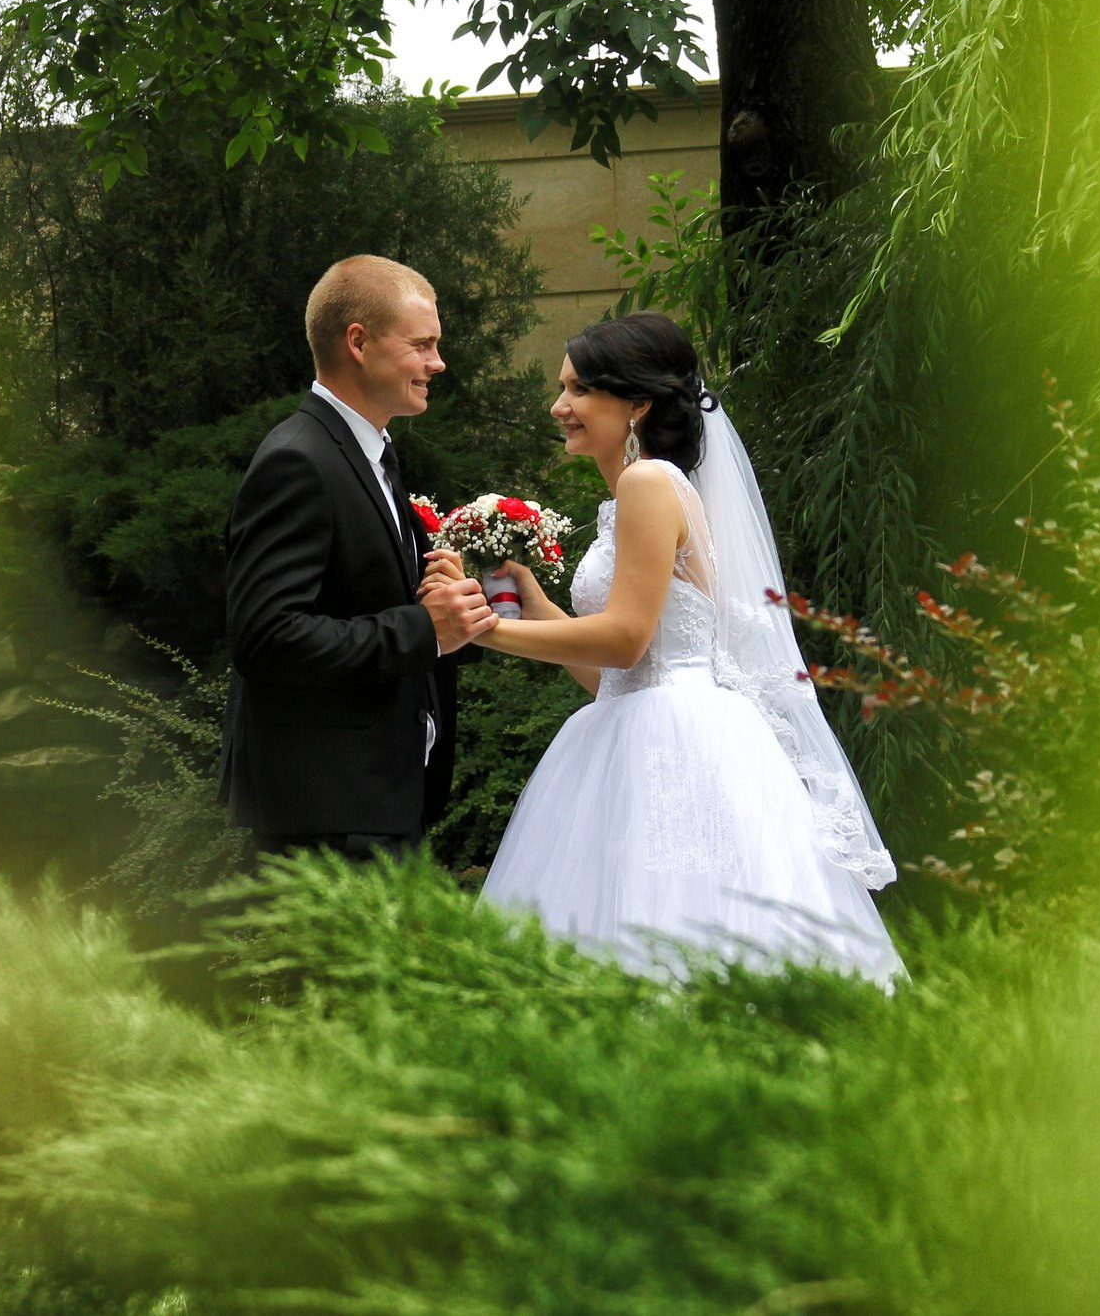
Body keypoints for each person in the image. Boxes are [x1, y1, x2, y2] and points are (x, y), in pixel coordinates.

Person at [460, 312, 903, 984]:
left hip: (676, 748)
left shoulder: (649, 483)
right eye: (562, 389)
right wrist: (531, 601)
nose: (559, 406)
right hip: (637, 722)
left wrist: (489, 631)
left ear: (636, 402)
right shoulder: (635, 495)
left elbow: (627, 638)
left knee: (663, 928)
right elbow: (618, 672)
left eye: (579, 390)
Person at [220, 255, 493, 859]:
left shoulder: (369, 452)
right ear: (359, 343)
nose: (438, 363)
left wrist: (448, 607)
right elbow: (266, 637)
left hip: (378, 798)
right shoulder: (299, 460)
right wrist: (424, 629)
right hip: (328, 812)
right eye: (422, 345)